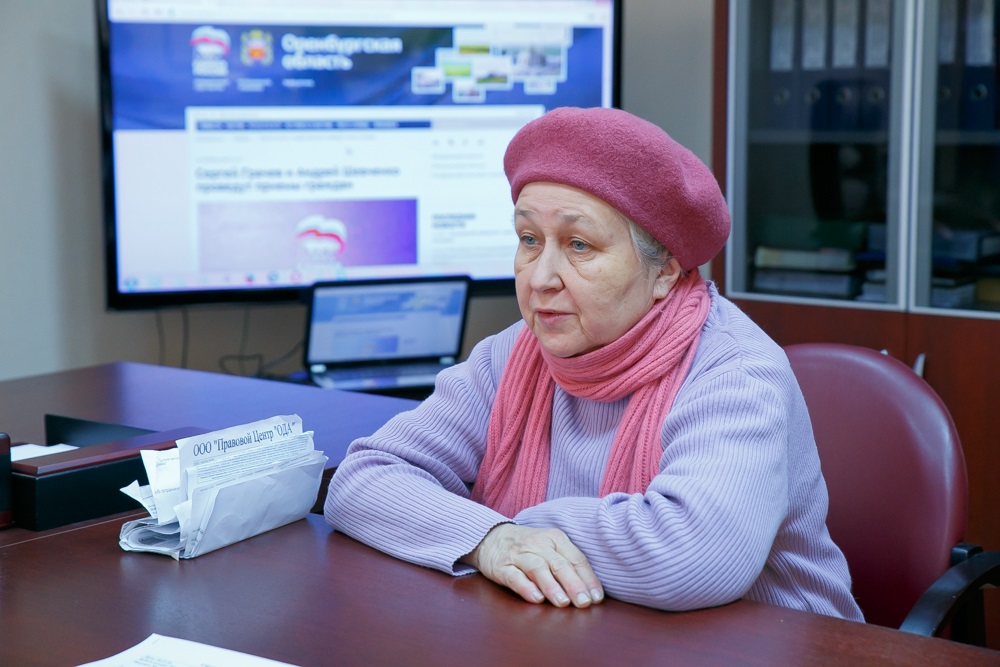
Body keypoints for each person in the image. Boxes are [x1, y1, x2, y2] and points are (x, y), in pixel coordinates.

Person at [325, 106, 864, 622]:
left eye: (579, 245)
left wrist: (514, 526)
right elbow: (362, 480)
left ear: (665, 271)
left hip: (781, 645)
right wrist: (491, 539)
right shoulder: (509, 357)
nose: (540, 279)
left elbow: (693, 557)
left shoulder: (736, 372)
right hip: (589, 636)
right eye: (529, 240)